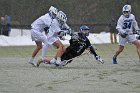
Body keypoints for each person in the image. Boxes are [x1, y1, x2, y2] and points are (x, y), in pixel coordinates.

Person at [37, 25, 104, 67]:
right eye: (85, 30)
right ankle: (42, 59)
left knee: (58, 64)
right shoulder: (76, 35)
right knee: (54, 62)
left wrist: (96, 56)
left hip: (71, 56)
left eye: (87, 30)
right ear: (81, 30)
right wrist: (62, 35)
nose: (86, 32)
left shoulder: (86, 40)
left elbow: (90, 48)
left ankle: (44, 60)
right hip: (67, 53)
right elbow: (70, 36)